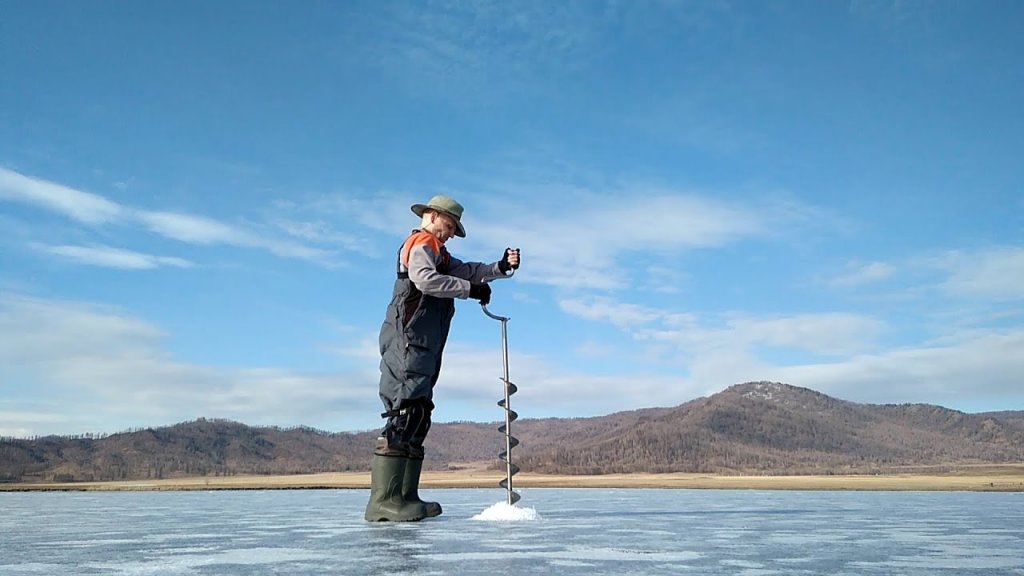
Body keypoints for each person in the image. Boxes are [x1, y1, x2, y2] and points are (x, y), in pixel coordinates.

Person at [365, 194, 520, 522]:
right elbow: (426, 280)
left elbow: (470, 270)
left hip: (426, 346)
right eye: (449, 226)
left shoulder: (441, 253)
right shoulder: (421, 243)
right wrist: (469, 290)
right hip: (407, 342)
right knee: (405, 411)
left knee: (419, 413)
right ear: (432, 216)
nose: (450, 233)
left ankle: (406, 497)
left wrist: (499, 268)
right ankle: (384, 501)